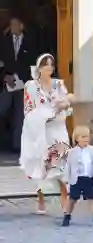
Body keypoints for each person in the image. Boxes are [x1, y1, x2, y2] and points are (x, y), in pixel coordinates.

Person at [20, 53, 74, 214]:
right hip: (40, 130)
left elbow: (68, 107)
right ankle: (41, 198)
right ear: (39, 67)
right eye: (46, 64)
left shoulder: (59, 84)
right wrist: (41, 117)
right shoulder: (31, 86)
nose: (49, 67)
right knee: (40, 164)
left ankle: (64, 199)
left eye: (51, 64)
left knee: (61, 163)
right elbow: (28, 108)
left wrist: (63, 107)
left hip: (57, 128)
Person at [0, 16, 37, 153]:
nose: (13, 27)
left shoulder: (30, 42)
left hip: (23, 83)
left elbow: (32, 63)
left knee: (20, 113)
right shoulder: (4, 42)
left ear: (22, 26)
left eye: (15, 24)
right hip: (7, 83)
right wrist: (5, 76)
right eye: (11, 24)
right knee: (2, 107)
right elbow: (2, 62)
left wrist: (19, 77)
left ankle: (18, 145)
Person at [62, 126, 93, 227]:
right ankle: (67, 216)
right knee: (72, 199)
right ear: (77, 138)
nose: (86, 139)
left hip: (89, 178)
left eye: (87, 137)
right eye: (83, 137)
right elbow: (68, 166)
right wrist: (65, 178)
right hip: (77, 179)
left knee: (92, 199)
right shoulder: (72, 152)